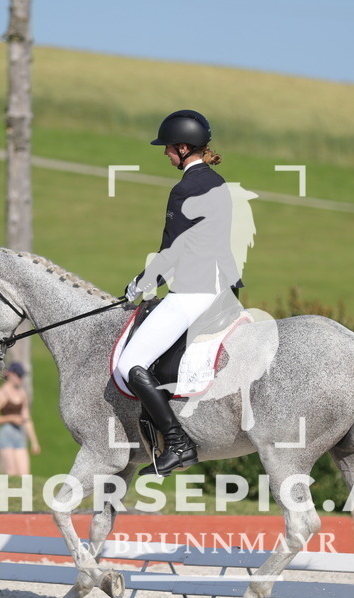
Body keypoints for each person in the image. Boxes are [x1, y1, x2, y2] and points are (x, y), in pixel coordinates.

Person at [117, 109, 245, 478]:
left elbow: (171, 248)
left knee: (130, 365)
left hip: (194, 290)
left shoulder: (185, 189)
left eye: (169, 148)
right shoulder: (219, 183)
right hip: (223, 290)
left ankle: (178, 443)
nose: (165, 154)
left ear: (184, 148)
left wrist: (140, 284)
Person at [0, 362, 40, 476]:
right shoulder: (1, 393)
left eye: (21, 376)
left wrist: (34, 442)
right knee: (11, 472)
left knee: (24, 474)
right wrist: (10, 418)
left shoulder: (22, 393)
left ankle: (25, 494)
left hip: (19, 435)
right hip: (6, 434)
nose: (20, 379)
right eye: (18, 375)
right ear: (10, 374)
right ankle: (9, 494)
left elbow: (27, 418)